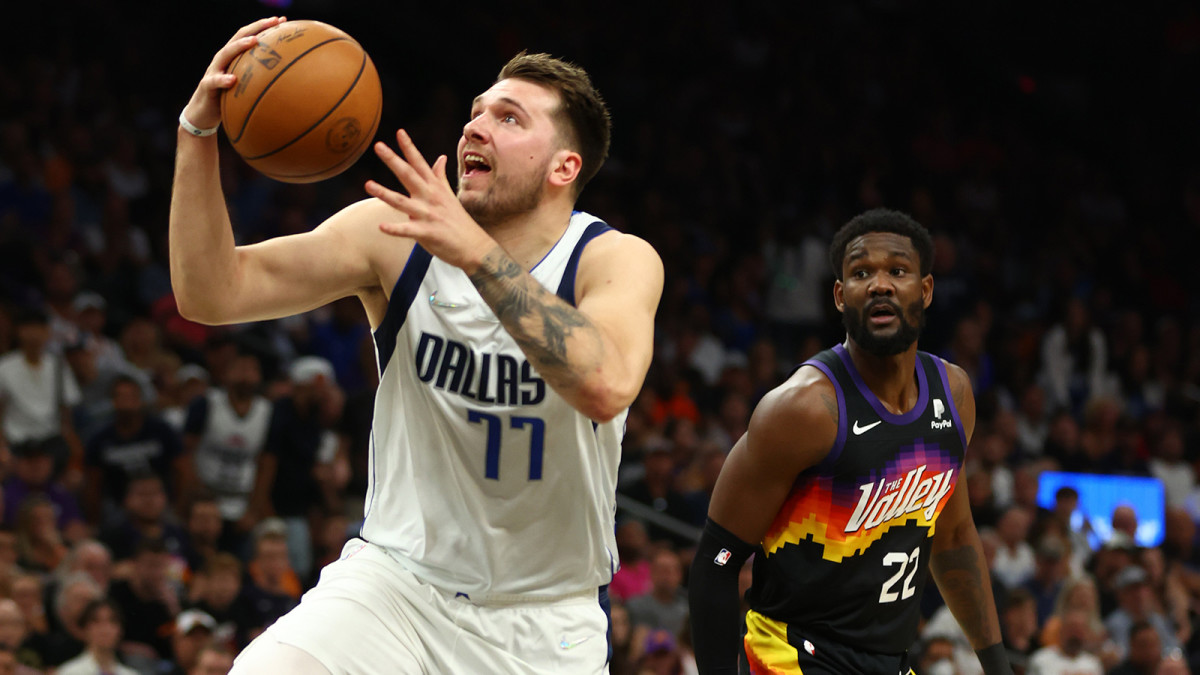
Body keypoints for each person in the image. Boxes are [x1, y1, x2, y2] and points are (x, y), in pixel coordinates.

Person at [171, 17, 661, 675]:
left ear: (564, 166)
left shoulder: (614, 260)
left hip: (544, 619)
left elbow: (604, 383)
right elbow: (211, 292)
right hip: (397, 586)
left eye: (509, 119)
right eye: (475, 113)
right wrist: (198, 133)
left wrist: (476, 254)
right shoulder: (394, 235)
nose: (474, 128)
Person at [687, 209, 1012, 674]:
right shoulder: (803, 410)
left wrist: (997, 666)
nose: (880, 284)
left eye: (897, 271)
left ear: (926, 290)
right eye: (861, 273)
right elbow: (715, 563)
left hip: (891, 660)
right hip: (793, 654)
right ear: (841, 296)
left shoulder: (954, 394)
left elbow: (955, 535)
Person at [55, 599, 139, 675]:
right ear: (85, 629)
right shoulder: (69, 672)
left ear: (120, 630)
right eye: (96, 621)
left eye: (112, 621)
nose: (105, 629)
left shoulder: (131, 673)